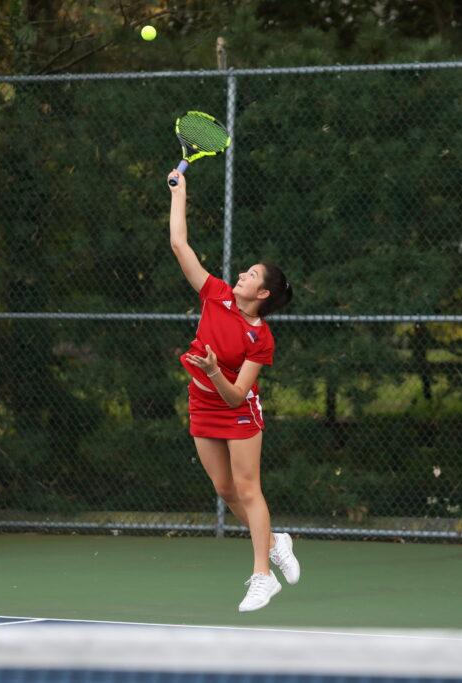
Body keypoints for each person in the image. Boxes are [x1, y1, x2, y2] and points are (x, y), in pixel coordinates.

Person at [167, 168, 299, 612]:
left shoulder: (261, 339)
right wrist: (179, 194)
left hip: (237, 409)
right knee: (224, 491)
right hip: (201, 403)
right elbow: (180, 246)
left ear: (263, 293)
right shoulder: (216, 294)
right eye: (245, 270)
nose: (242, 274)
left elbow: (236, 395)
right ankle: (275, 538)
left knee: (247, 488)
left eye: (252, 274)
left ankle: (263, 576)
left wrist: (211, 369)